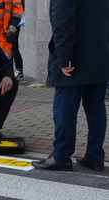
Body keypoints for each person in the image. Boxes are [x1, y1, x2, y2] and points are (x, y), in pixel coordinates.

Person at [31, 0, 109, 172]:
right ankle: (95, 157)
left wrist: (64, 57)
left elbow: (62, 20)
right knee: (96, 107)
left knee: (64, 107)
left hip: (75, 58)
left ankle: (61, 156)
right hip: (99, 54)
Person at [12, 0, 24, 79]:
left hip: (14, 23)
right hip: (12, 22)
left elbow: (19, 8)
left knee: (13, 47)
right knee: (12, 47)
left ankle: (19, 70)